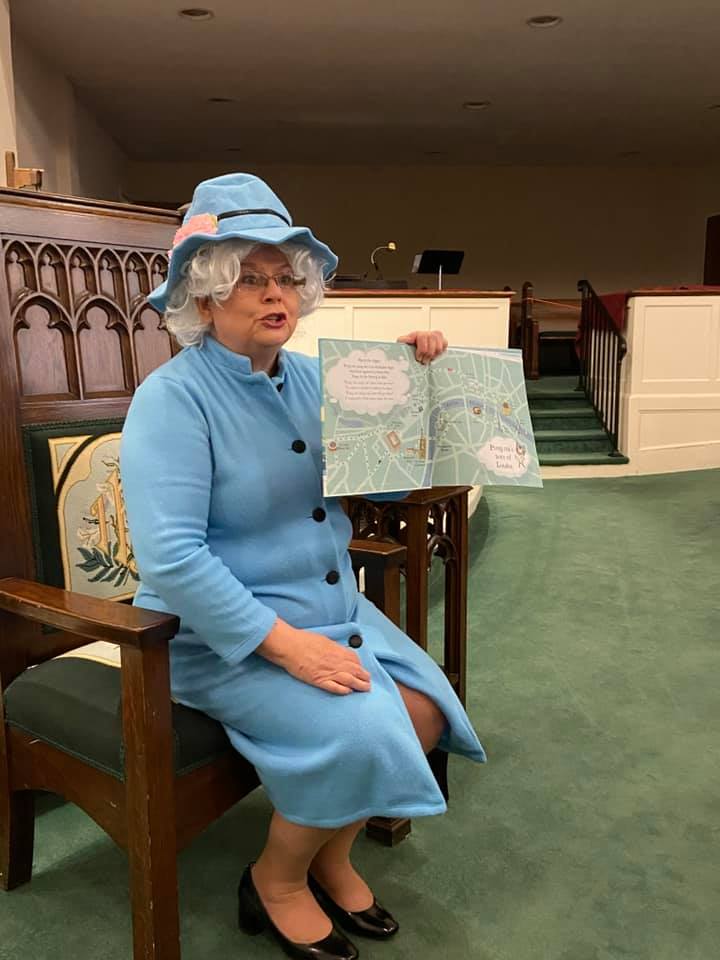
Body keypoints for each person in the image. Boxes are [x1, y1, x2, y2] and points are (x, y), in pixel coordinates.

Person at [120, 173, 486, 960]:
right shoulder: (171, 400)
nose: (274, 292)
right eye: (249, 277)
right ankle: (276, 880)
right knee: (362, 732)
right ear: (205, 297)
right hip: (219, 636)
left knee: (424, 711)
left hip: (333, 610)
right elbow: (172, 558)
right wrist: (287, 648)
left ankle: (330, 856)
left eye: (286, 276)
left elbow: (383, 484)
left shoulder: (319, 379)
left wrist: (412, 388)